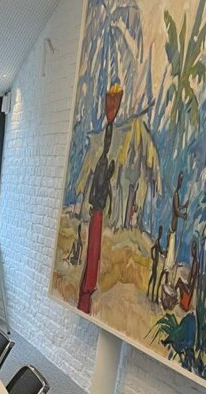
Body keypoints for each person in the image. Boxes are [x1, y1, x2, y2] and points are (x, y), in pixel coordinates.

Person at [78, 124, 115, 313]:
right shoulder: (101, 166)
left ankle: (89, 283)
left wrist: (108, 180)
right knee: (93, 249)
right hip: (97, 215)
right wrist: (107, 178)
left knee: (95, 250)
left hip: (98, 214)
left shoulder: (103, 167)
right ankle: (88, 284)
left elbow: (104, 195)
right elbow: (97, 194)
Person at [162, 171, 189, 287]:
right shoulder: (176, 194)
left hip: (173, 229)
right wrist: (183, 216)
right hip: (172, 229)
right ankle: (165, 281)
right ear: (178, 180)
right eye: (180, 179)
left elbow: (177, 208)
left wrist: (184, 206)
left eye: (182, 180)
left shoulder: (177, 195)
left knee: (170, 258)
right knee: (169, 259)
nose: (180, 182)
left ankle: (166, 281)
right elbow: (176, 211)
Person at [176, 238, 200, 312]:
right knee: (180, 283)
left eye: (193, 249)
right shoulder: (195, 262)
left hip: (190, 289)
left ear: (195, 250)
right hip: (190, 287)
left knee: (179, 282)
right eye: (192, 249)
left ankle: (174, 297)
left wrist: (188, 287)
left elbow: (193, 278)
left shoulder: (195, 263)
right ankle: (180, 300)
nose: (191, 251)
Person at [148, 225, 166, 302]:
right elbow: (152, 248)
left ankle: (148, 291)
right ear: (159, 232)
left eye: (161, 232)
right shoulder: (157, 241)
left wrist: (164, 253)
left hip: (156, 263)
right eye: (160, 232)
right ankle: (152, 296)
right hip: (155, 263)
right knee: (154, 279)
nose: (161, 233)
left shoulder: (158, 242)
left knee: (152, 277)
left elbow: (161, 251)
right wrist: (152, 257)